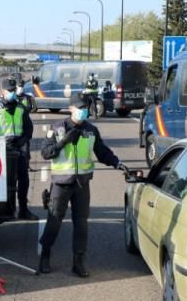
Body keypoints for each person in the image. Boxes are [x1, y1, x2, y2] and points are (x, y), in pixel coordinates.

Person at [38, 93, 127, 277]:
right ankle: (45, 255)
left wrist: (117, 163)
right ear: (71, 108)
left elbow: (102, 151)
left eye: (85, 107)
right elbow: (46, 153)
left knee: (81, 224)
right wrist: (63, 141)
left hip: (81, 184)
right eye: (79, 107)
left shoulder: (91, 130)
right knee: (54, 221)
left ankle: (78, 262)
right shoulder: (57, 128)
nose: (82, 111)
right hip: (61, 184)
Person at [0, 77, 37, 221]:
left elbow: (29, 128)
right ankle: (5, 212)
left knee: (23, 180)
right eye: (9, 90)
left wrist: (22, 140)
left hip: (18, 149)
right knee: (5, 182)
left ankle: (23, 210)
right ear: (2, 91)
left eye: (14, 90)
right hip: (1, 151)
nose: (12, 93)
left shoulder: (20, 107)